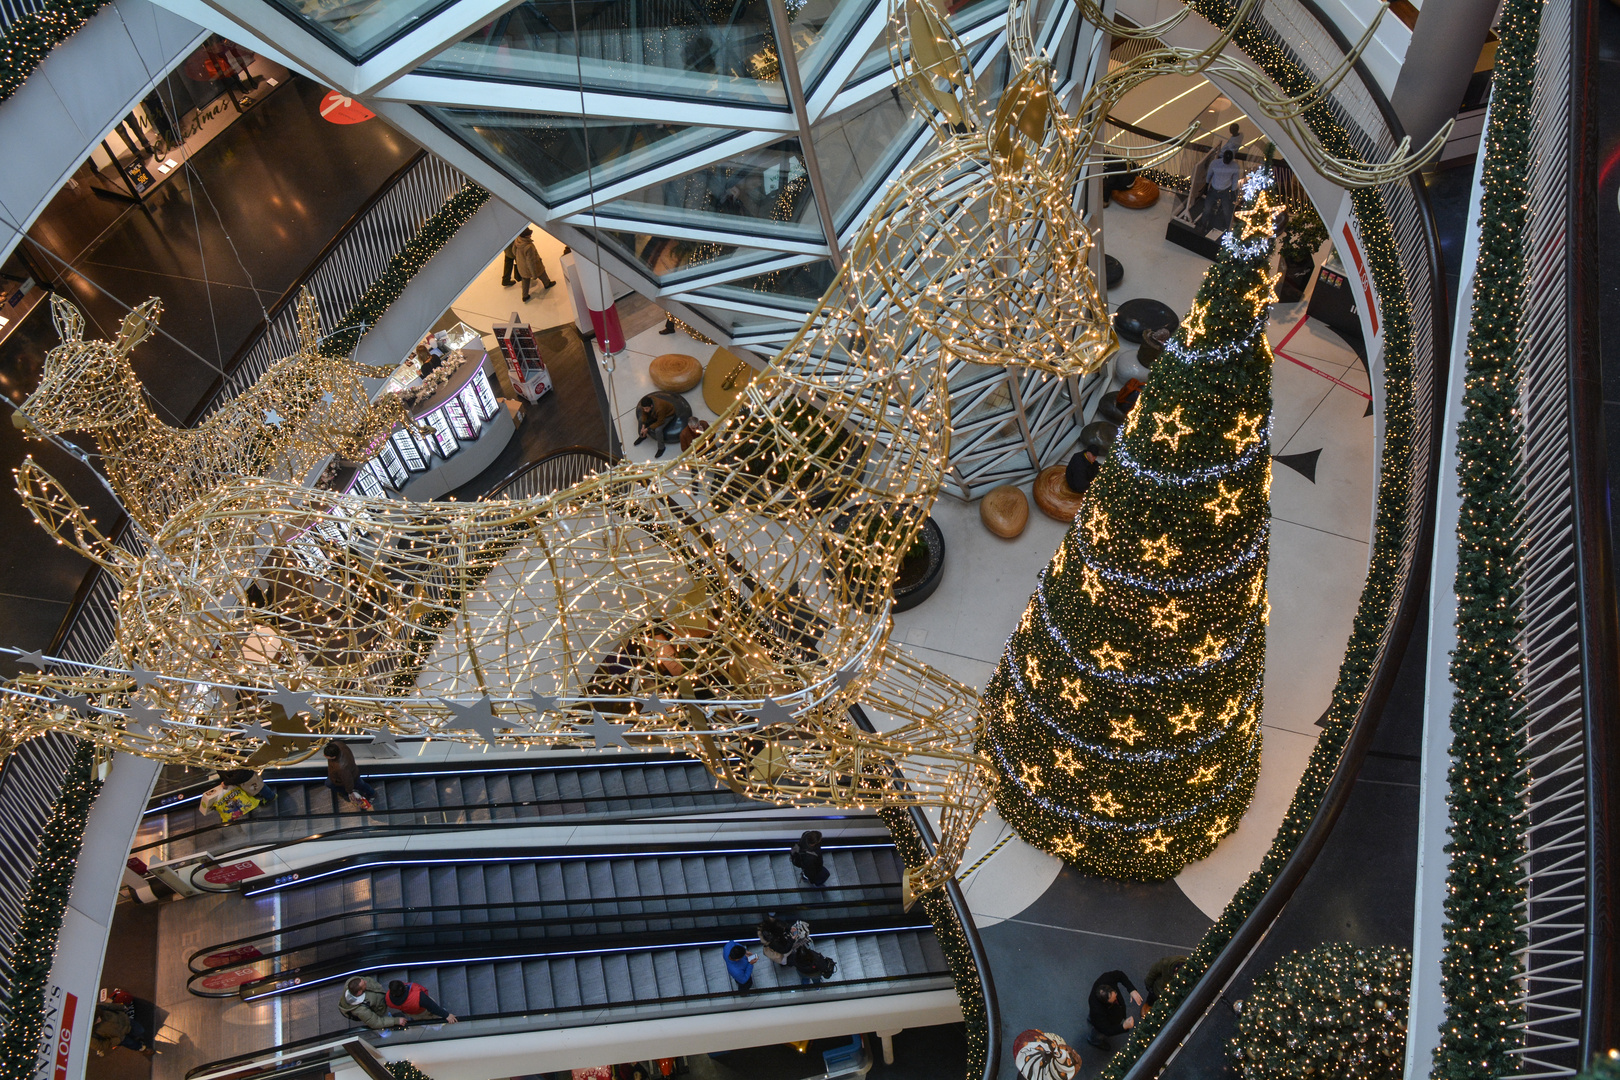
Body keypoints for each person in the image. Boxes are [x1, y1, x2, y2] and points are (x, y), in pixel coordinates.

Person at [1086, 970, 1143, 1049]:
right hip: (1102, 1020)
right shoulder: (1097, 1010)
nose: (1116, 996)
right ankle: (1094, 1040)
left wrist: (1131, 990)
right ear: (1105, 1002)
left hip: (1103, 1014)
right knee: (1098, 1031)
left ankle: (1091, 1019)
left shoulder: (1106, 979)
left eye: (1115, 993)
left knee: (1093, 1018)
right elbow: (1106, 1030)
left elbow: (1120, 975)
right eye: (1113, 999)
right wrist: (1123, 1027)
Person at [633, 392, 693, 458]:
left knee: (658, 430)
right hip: (655, 414)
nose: (645, 410)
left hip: (668, 415)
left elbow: (660, 422)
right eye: (644, 408)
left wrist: (648, 429)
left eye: (646, 409)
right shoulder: (645, 406)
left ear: (651, 406)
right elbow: (644, 414)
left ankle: (661, 448)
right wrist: (643, 426)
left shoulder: (660, 408)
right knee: (641, 419)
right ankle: (642, 436)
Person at [324, 740, 377, 811]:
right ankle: (370, 793)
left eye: (326, 756)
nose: (324, 756)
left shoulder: (341, 767)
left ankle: (372, 794)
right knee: (361, 784)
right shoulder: (338, 744)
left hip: (349, 778)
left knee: (361, 785)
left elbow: (348, 780)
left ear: (333, 757)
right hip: (353, 771)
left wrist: (350, 792)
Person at [1199, 150, 1242, 234]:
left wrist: (1233, 192)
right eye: (1226, 159)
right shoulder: (1215, 163)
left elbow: (1235, 180)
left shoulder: (1235, 166)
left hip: (1225, 191)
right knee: (1207, 208)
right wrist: (1206, 185)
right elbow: (1209, 174)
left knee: (1227, 210)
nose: (1227, 161)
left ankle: (1228, 228)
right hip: (1214, 189)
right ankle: (1203, 225)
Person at [339, 976, 407, 1029]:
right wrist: (395, 1021)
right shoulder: (361, 1010)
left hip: (379, 1000)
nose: (365, 982)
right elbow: (376, 1023)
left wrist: (377, 986)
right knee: (385, 1018)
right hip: (380, 1010)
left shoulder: (351, 981)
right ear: (359, 992)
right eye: (364, 984)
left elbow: (366, 979)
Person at [512, 227, 555, 301]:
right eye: (529, 235)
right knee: (542, 273)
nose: (530, 236)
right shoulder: (529, 247)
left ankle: (525, 296)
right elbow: (530, 262)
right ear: (526, 236)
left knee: (525, 280)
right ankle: (547, 284)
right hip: (532, 267)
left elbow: (513, 251)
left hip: (521, 266)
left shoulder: (517, 240)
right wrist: (534, 274)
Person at [386, 979, 458, 1023]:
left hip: (411, 1013)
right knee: (433, 1016)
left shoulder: (388, 1000)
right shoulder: (418, 997)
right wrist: (447, 1015)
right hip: (424, 1011)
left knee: (418, 1018)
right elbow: (432, 1006)